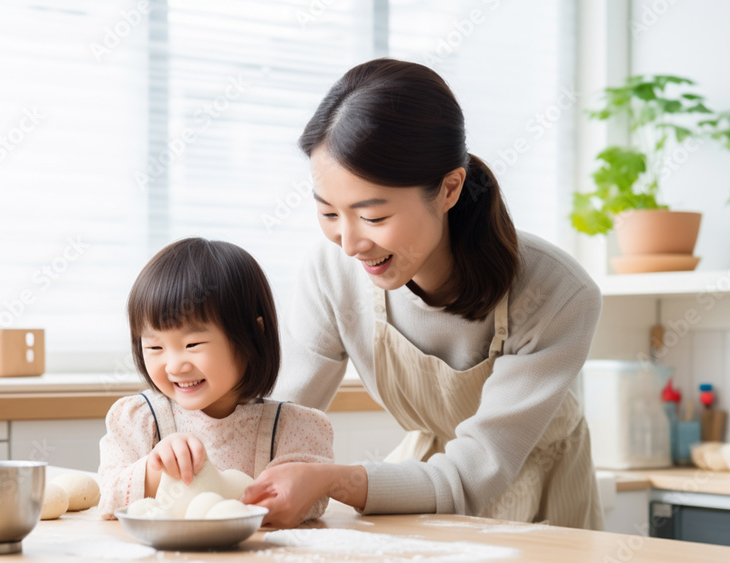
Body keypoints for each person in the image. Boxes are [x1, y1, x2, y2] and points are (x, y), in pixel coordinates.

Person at [241, 59, 605, 530]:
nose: (350, 245)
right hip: (421, 483)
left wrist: (334, 480)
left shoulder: (557, 292)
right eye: (329, 214)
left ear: (449, 188)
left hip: (541, 493)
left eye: (372, 217)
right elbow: (274, 421)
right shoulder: (332, 273)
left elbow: (475, 473)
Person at [97, 237, 334, 523]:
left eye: (193, 344)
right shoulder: (139, 420)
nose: (174, 365)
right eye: (155, 347)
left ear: (252, 336)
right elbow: (108, 499)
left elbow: (314, 502)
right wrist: (156, 468)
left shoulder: (290, 429)